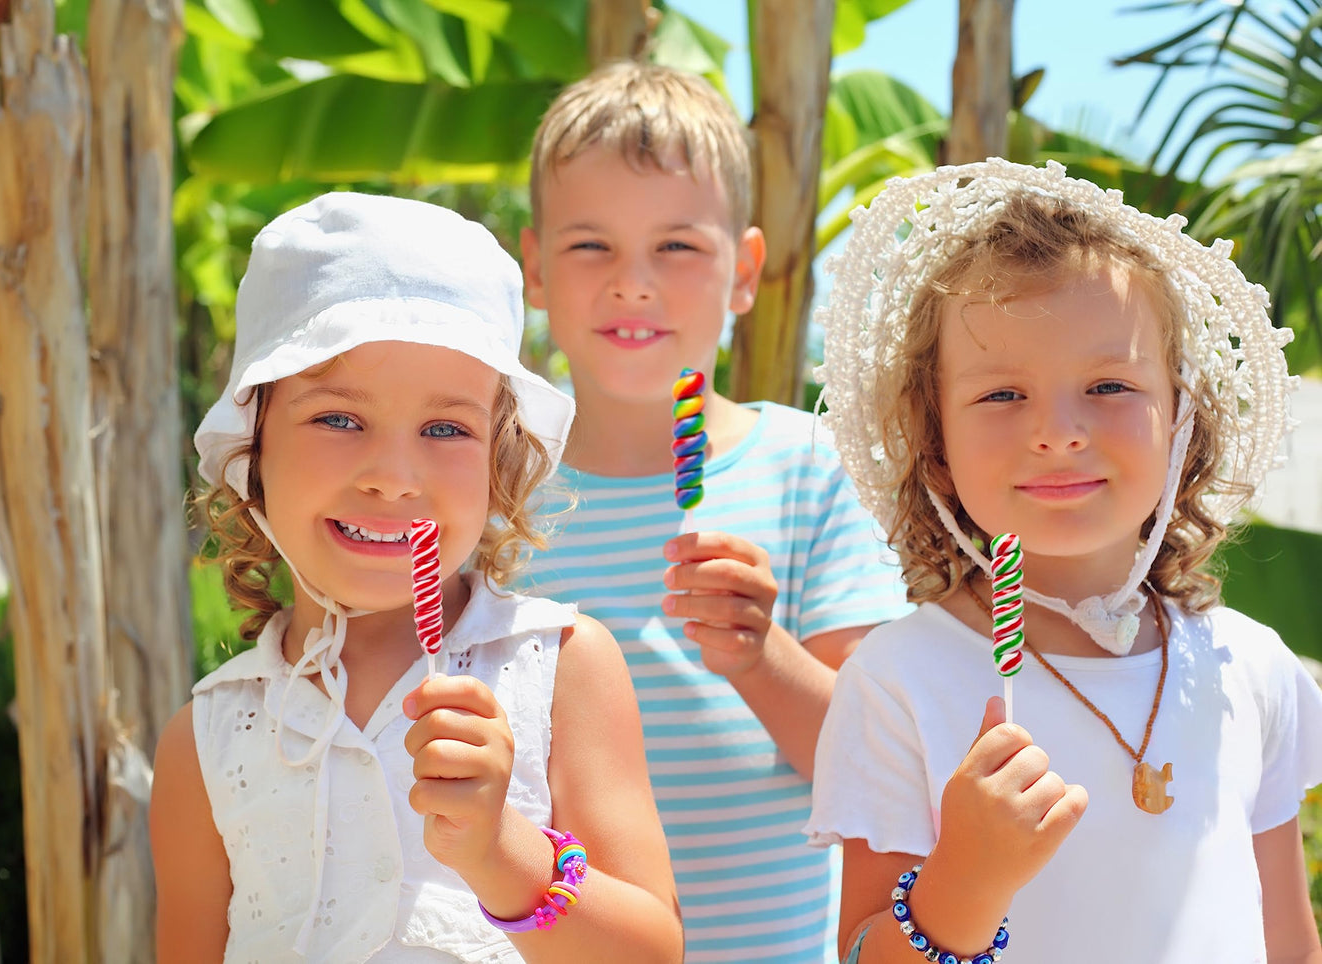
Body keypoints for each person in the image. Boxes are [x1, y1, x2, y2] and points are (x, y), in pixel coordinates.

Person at [805, 158, 1322, 963]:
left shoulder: (1250, 665)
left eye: (1109, 385)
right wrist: (965, 882)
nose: (1057, 432)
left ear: (1182, 419)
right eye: (1001, 395)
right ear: (933, 442)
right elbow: (861, 950)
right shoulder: (897, 679)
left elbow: (1286, 937)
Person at [150, 192, 683, 963]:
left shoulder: (560, 667)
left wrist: (502, 852)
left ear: (499, 465)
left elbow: (653, 953)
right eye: (338, 419)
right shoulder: (205, 738)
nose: (395, 478)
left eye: (445, 429)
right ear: (249, 453)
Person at [516, 62, 912, 963]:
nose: (633, 283)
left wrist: (757, 656)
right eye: (590, 247)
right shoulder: (491, 492)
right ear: (535, 269)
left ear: (744, 271)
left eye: (677, 248)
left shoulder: (812, 471)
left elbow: (875, 768)